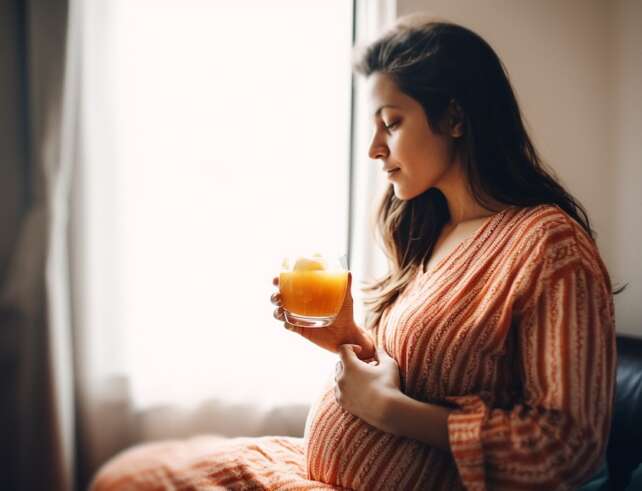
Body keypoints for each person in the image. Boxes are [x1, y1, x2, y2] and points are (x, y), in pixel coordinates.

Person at [91, 15, 617, 491]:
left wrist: (389, 411)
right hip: (313, 471)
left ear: (455, 117)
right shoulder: (436, 231)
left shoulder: (551, 246)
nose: (374, 149)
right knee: (127, 476)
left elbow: (566, 447)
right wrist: (346, 338)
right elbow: (428, 373)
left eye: (390, 123)